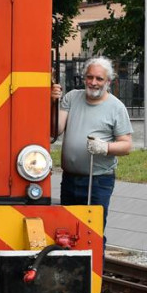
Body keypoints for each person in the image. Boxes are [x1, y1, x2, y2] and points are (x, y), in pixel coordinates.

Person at [51, 56, 133, 235]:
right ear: (84, 78)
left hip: (98, 182)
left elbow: (126, 146)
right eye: (89, 77)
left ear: (108, 82)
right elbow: (55, 130)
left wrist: (106, 148)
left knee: (92, 234)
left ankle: (96, 264)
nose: (93, 82)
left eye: (99, 78)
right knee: (66, 230)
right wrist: (53, 103)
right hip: (70, 179)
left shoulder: (116, 107)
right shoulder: (72, 97)